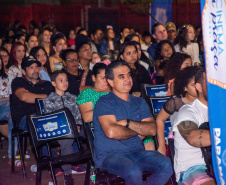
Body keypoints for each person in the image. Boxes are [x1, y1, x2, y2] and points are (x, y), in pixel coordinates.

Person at [93, 60, 173, 185]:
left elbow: (152, 129)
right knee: (133, 171)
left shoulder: (139, 102)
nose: (127, 79)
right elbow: (111, 132)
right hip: (111, 156)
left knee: (166, 164)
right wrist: (138, 130)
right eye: (121, 76)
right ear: (110, 82)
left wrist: (127, 122)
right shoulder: (104, 102)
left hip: (137, 152)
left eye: (129, 75)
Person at [172, 67, 216, 184]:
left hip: (219, 162)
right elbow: (193, 138)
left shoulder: (221, 108)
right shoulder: (187, 111)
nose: (215, 86)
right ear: (198, 87)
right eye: (210, 82)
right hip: (194, 168)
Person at [43, 70, 85, 185]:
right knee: (66, 140)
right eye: (60, 80)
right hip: (59, 130)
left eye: (66, 80)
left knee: (94, 133)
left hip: (75, 128)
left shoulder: (73, 98)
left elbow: (78, 114)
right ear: (53, 83)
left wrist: (77, 124)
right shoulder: (48, 100)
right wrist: (66, 127)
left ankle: (99, 164)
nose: (64, 83)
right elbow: (49, 119)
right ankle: (67, 173)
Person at [156, 66, 198, 156]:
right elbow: (159, 119)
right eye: (193, 85)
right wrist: (162, 145)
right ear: (185, 87)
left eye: (199, 83)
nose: (197, 87)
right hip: (178, 141)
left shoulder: (206, 101)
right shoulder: (176, 102)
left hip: (198, 139)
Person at [11, 56, 54, 132]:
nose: (35, 70)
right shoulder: (18, 81)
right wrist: (45, 97)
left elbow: (53, 99)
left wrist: (32, 96)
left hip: (45, 115)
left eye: (36, 67)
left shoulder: (46, 84)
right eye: (31, 67)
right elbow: (24, 96)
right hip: (26, 118)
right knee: (43, 124)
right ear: (23, 71)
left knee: (65, 122)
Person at [0, 56, 17, 164]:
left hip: (8, 106)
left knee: (12, 117)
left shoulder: (6, 77)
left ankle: (13, 155)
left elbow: (13, 93)